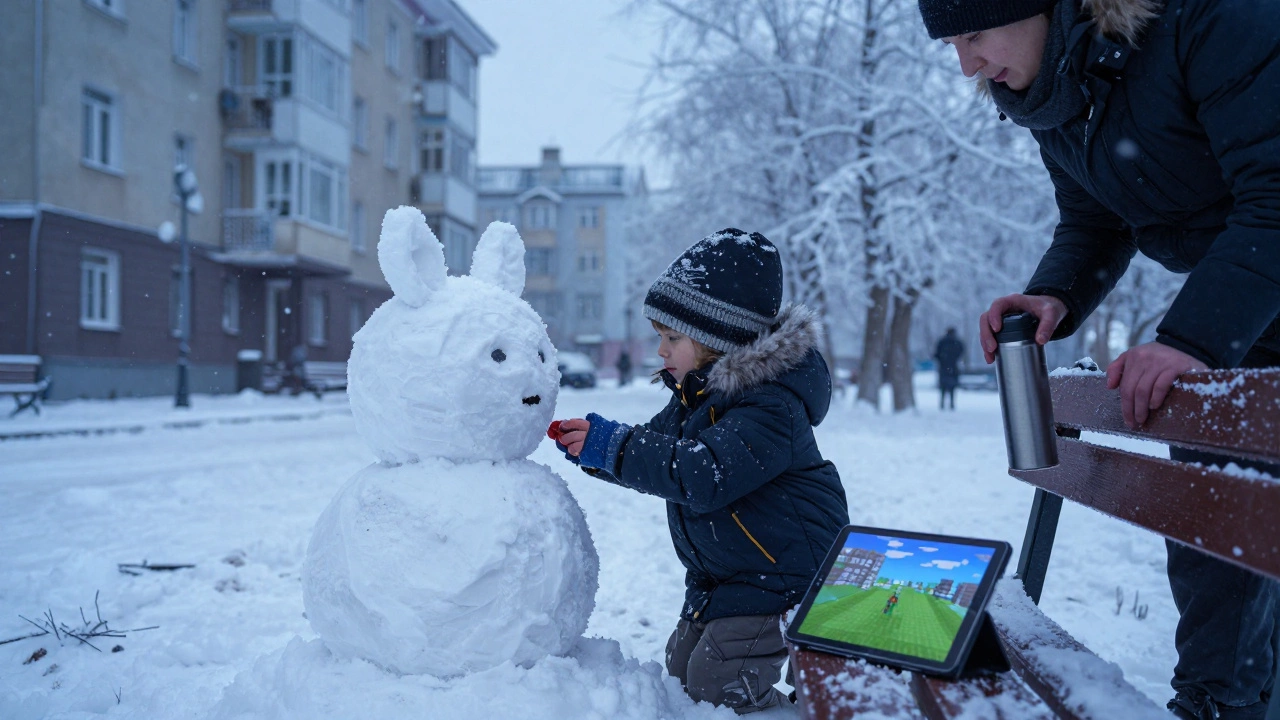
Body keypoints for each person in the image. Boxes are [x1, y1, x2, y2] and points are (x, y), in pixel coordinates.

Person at [918, 0, 1280, 717]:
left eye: (973, 35)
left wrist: (1190, 341)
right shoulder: (1059, 91)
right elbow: (1095, 217)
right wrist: (1054, 294)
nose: (967, 65)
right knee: (1220, 523)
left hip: (1246, 293)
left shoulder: (1208, 22)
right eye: (950, 44)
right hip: (1252, 303)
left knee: (1234, 515)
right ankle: (1220, 700)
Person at [552, 228, 850, 713]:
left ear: (717, 339)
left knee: (718, 685)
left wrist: (617, 448)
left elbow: (702, 474)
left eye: (673, 337)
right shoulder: (695, 400)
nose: (661, 351)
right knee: (681, 673)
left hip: (785, 575)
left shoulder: (771, 407)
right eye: (659, 337)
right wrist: (595, 450)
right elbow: (655, 455)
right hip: (730, 575)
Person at [933, 328, 964, 410]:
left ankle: (942, 403)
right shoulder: (957, 342)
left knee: (943, 386)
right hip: (953, 367)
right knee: (952, 387)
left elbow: (936, 354)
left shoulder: (942, 342)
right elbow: (961, 351)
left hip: (943, 367)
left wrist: (942, 359)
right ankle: (951, 403)